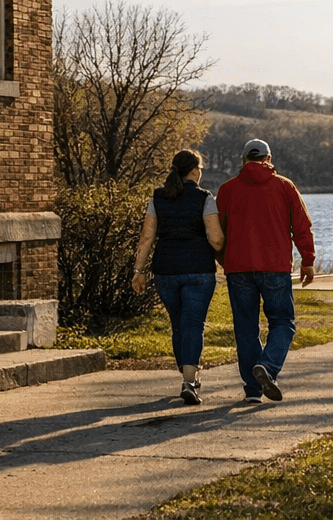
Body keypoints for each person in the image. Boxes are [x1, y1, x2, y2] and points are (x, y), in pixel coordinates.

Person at [217, 138, 315, 404]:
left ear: (243, 160)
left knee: (246, 328)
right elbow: (302, 226)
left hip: (238, 269)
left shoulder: (227, 190)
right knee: (283, 322)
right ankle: (268, 367)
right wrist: (308, 259)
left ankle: (252, 390)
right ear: (269, 159)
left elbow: (216, 233)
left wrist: (224, 260)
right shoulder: (285, 186)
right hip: (275, 268)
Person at [131, 149, 225, 405]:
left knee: (178, 323)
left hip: (166, 270)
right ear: (195, 171)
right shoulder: (205, 198)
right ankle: (189, 380)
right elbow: (216, 239)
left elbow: (147, 237)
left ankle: (186, 372)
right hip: (199, 270)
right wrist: (227, 256)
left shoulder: (158, 197)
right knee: (193, 323)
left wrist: (139, 271)